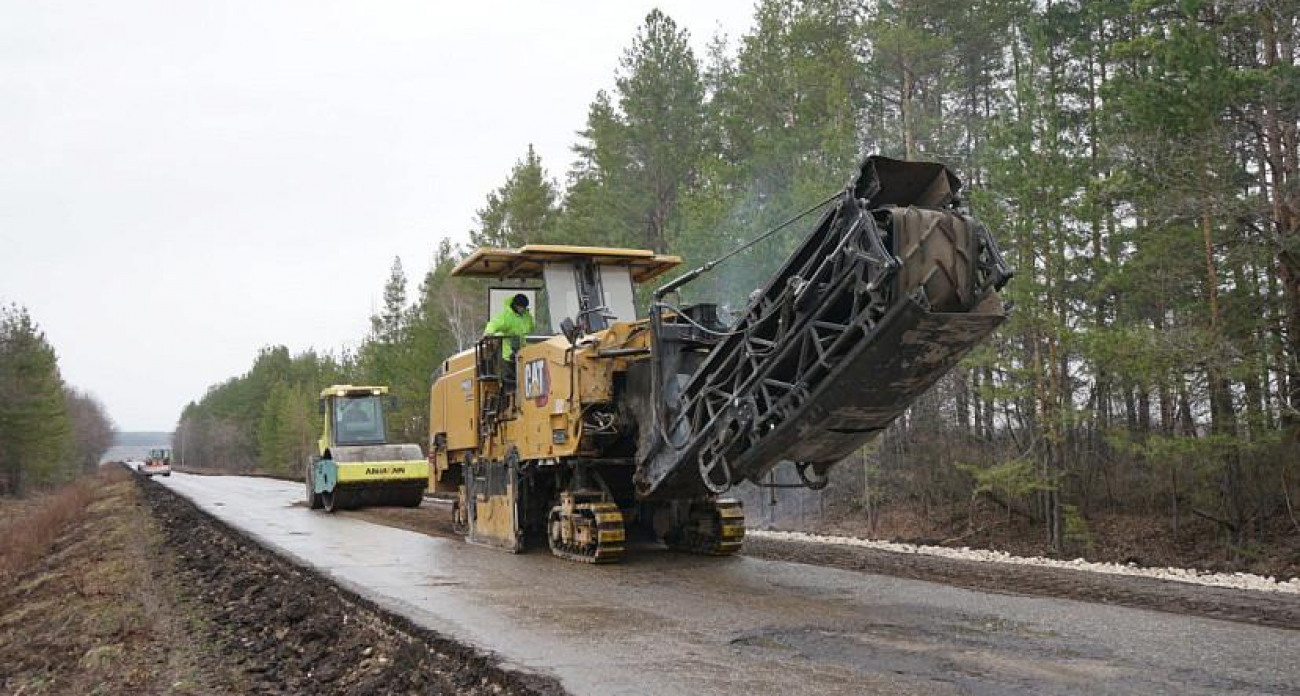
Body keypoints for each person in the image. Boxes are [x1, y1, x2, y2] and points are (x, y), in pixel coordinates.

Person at [483, 293, 534, 362]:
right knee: (509, 372)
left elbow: (531, 329)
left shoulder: (526, 316)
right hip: (509, 355)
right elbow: (493, 323)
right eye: (521, 307)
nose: (523, 309)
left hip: (523, 353)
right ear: (516, 305)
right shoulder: (506, 316)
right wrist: (489, 333)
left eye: (524, 307)